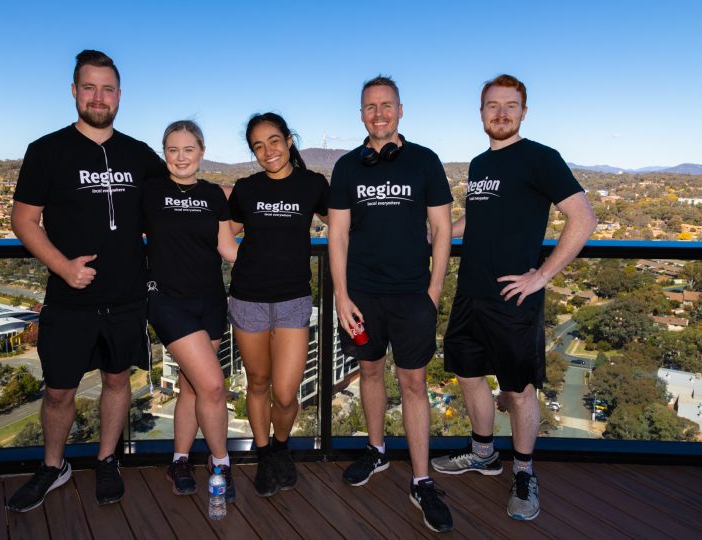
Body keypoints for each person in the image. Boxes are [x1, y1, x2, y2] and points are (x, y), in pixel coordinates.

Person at [6, 50, 166, 512]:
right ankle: (53, 467)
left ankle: (106, 459)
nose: (100, 97)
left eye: (108, 88)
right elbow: (23, 220)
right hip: (69, 300)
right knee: (59, 391)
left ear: (120, 96)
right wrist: (63, 266)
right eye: (90, 87)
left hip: (126, 298)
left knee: (118, 382)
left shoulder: (139, 154)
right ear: (75, 91)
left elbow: (181, 189)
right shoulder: (47, 150)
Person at [434, 74, 597, 521]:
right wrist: (436, 233)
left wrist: (542, 275)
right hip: (470, 291)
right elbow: (478, 217)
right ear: (481, 112)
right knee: (468, 375)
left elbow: (583, 217)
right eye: (492, 105)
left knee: (519, 389)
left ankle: (524, 471)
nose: (501, 113)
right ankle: (483, 452)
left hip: (513, 297)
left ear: (524, 112)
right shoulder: (479, 164)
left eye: (510, 105)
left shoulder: (540, 158)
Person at [328, 76, 454, 533]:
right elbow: (336, 235)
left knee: (415, 383)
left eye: (386, 105)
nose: (378, 113)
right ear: (360, 114)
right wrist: (340, 295)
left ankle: (421, 480)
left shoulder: (424, 162)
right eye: (369, 107)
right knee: (370, 371)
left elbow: (442, 231)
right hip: (361, 296)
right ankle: (377, 451)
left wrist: (433, 292)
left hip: (412, 296)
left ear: (400, 110)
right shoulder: (346, 168)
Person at [227, 112, 329, 497]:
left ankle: (281, 445)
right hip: (248, 296)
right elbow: (226, 228)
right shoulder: (245, 188)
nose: (267, 151)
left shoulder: (313, 184)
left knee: (286, 393)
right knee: (257, 382)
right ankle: (266, 454)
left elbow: (342, 223)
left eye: (273, 140)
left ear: (288, 140)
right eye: (258, 146)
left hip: (293, 299)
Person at [143, 120, 238, 501]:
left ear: (201, 151)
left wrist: (273, 262)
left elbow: (228, 247)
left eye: (188, 149)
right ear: (164, 153)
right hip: (167, 300)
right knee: (214, 386)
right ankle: (220, 463)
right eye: (172, 149)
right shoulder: (149, 191)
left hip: (210, 300)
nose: (180, 157)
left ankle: (179, 459)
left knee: (192, 385)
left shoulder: (214, 193)